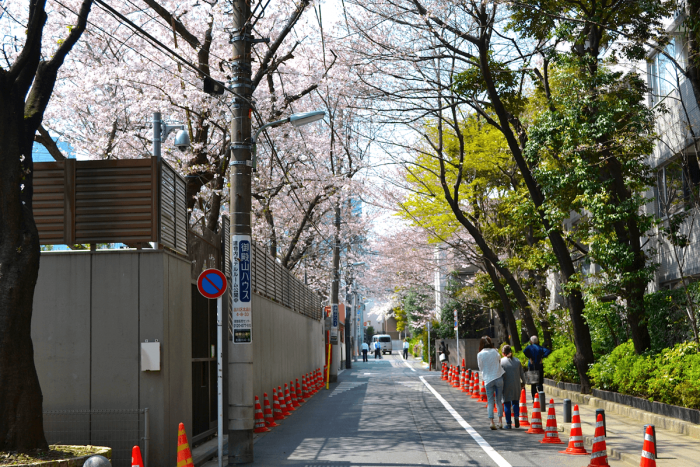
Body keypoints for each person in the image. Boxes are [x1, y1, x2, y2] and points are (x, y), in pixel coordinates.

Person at [477, 336, 505, 429]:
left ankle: (492, 422)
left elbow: (480, 368)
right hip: (498, 378)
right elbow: (499, 362)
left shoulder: (480, 354)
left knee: (490, 401)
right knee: (499, 400)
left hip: (488, 380)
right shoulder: (495, 352)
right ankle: (500, 421)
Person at [500, 344, 526, 429]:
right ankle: (516, 417)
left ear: (503, 353)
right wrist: (523, 382)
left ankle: (508, 423)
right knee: (515, 402)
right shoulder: (517, 361)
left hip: (506, 385)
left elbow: (499, 375)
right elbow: (522, 374)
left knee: (507, 403)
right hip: (516, 385)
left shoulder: (501, 362)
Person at [523, 336, 552, 402]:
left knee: (533, 383)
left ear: (531, 341)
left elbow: (524, 351)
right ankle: (541, 399)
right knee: (540, 383)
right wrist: (542, 357)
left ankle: (534, 399)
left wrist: (530, 357)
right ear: (537, 341)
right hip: (539, 366)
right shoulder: (540, 348)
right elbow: (548, 351)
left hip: (532, 366)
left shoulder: (529, 347)